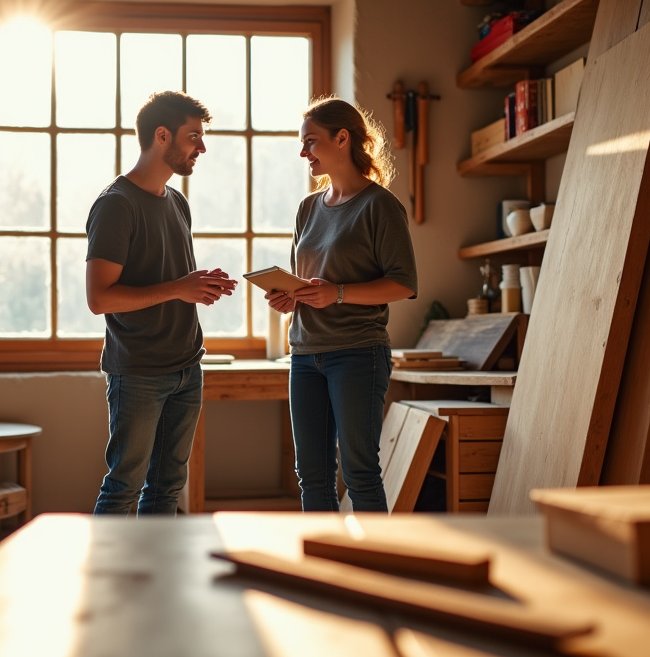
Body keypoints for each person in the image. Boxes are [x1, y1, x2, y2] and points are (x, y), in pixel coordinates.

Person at [86, 90, 237, 515]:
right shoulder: (115, 205)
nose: (202, 147)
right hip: (138, 372)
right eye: (194, 136)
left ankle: (156, 581)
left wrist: (198, 285)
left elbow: (169, 280)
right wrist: (178, 288)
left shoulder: (177, 203)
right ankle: (108, 582)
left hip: (187, 368)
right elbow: (99, 299)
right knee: (123, 487)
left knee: (167, 488)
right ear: (163, 136)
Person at [266, 96, 418, 512]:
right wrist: (289, 298)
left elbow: (403, 284)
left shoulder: (380, 206)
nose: (303, 152)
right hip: (305, 355)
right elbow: (308, 283)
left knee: (360, 472)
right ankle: (324, 568)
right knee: (311, 476)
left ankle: (373, 572)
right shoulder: (307, 209)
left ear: (342, 138)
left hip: (357, 354)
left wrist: (337, 293)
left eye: (310, 142)